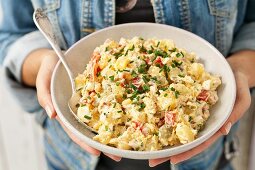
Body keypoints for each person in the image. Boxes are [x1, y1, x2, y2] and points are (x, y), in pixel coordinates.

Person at [0, 0, 255, 169]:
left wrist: (239, 71)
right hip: (70, 159)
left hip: (205, 160)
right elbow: (13, 36)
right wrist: (48, 61)